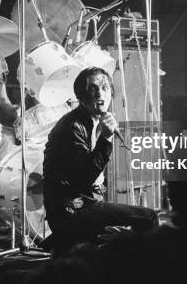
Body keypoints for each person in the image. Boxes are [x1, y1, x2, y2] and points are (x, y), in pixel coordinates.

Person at [43, 67, 158, 256]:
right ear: (81, 96)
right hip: (71, 210)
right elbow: (83, 178)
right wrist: (105, 139)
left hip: (84, 204)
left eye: (105, 87)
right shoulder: (72, 126)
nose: (100, 93)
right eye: (92, 89)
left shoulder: (93, 119)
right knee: (149, 217)